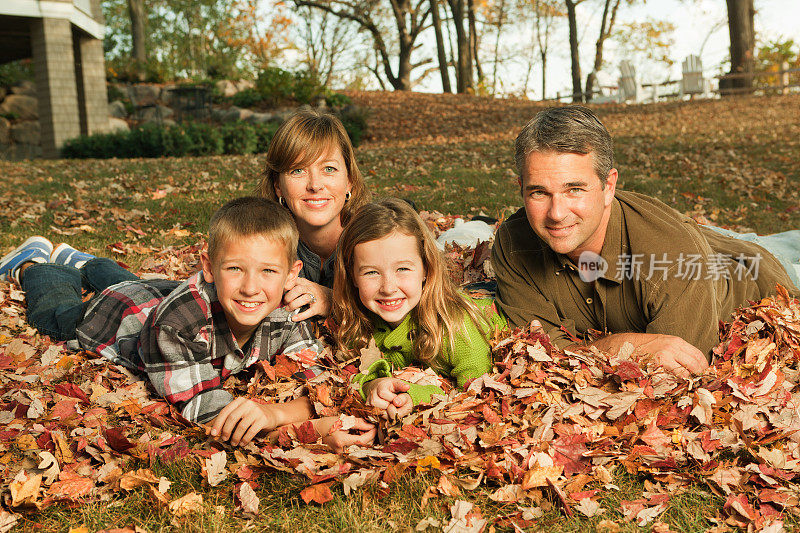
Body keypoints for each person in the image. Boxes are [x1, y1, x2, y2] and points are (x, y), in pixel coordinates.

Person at [0, 197, 375, 450]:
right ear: (209, 267)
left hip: (154, 292)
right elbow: (210, 411)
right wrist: (308, 429)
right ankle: (35, 263)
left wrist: (289, 411)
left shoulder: (284, 309)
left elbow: (322, 377)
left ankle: (86, 263)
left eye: (267, 271)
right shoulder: (176, 326)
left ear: (292, 275)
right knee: (55, 314)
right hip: (110, 319)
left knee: (136, 284)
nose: (250, 287)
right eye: (234, 268)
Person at [491, 105, 800, 378]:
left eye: (574, 189)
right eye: (539, 192)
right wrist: (627, 346)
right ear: (521, 188)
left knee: (782, 248)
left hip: (750, 269)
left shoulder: (674, 255)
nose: (556, 214)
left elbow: (679, 374)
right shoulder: (513, 242)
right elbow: (540, 350)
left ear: (608, 186)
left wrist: (592, 350)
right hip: (690, 241)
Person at [331, 198, 505, 420]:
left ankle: (476, 223)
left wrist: (415, 395)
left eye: (402, 268)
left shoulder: (456, 326)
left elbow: (475, 392)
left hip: (488, 299)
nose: (388, 288)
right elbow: (357, 372)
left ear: (426, 269)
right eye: (371, 272)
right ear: (352, 275)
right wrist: (373, 384)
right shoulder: (361, 320)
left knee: (468, 234)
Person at [257, 110, 369, 322]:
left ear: (349, 181)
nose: (315, 185)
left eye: (329, 168)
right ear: (278, 186)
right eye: (298, 170)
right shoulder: (262, 244)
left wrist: (332, 301)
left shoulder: (375, 242)